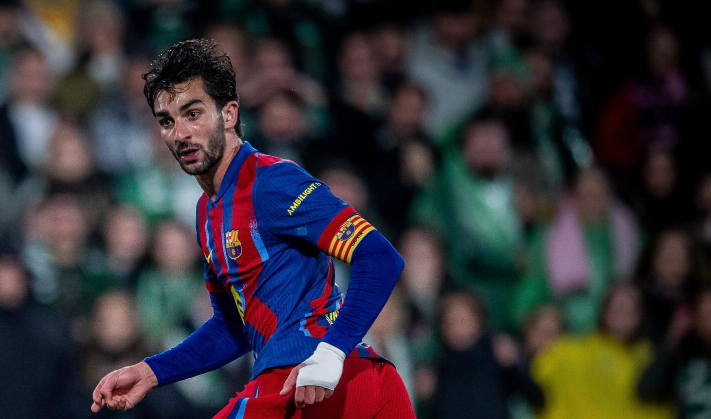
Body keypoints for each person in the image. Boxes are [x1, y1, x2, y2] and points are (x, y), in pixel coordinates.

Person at [90, 38, 414, 419]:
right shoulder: (206, 214)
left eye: (192, 114)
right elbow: (233, 327)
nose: (180, 133)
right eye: (167, 121)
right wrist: (151, 371)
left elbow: (379, 256)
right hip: (313, 385)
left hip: (328, 382)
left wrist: (333, 351)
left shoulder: (273, 182)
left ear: (229, 114)